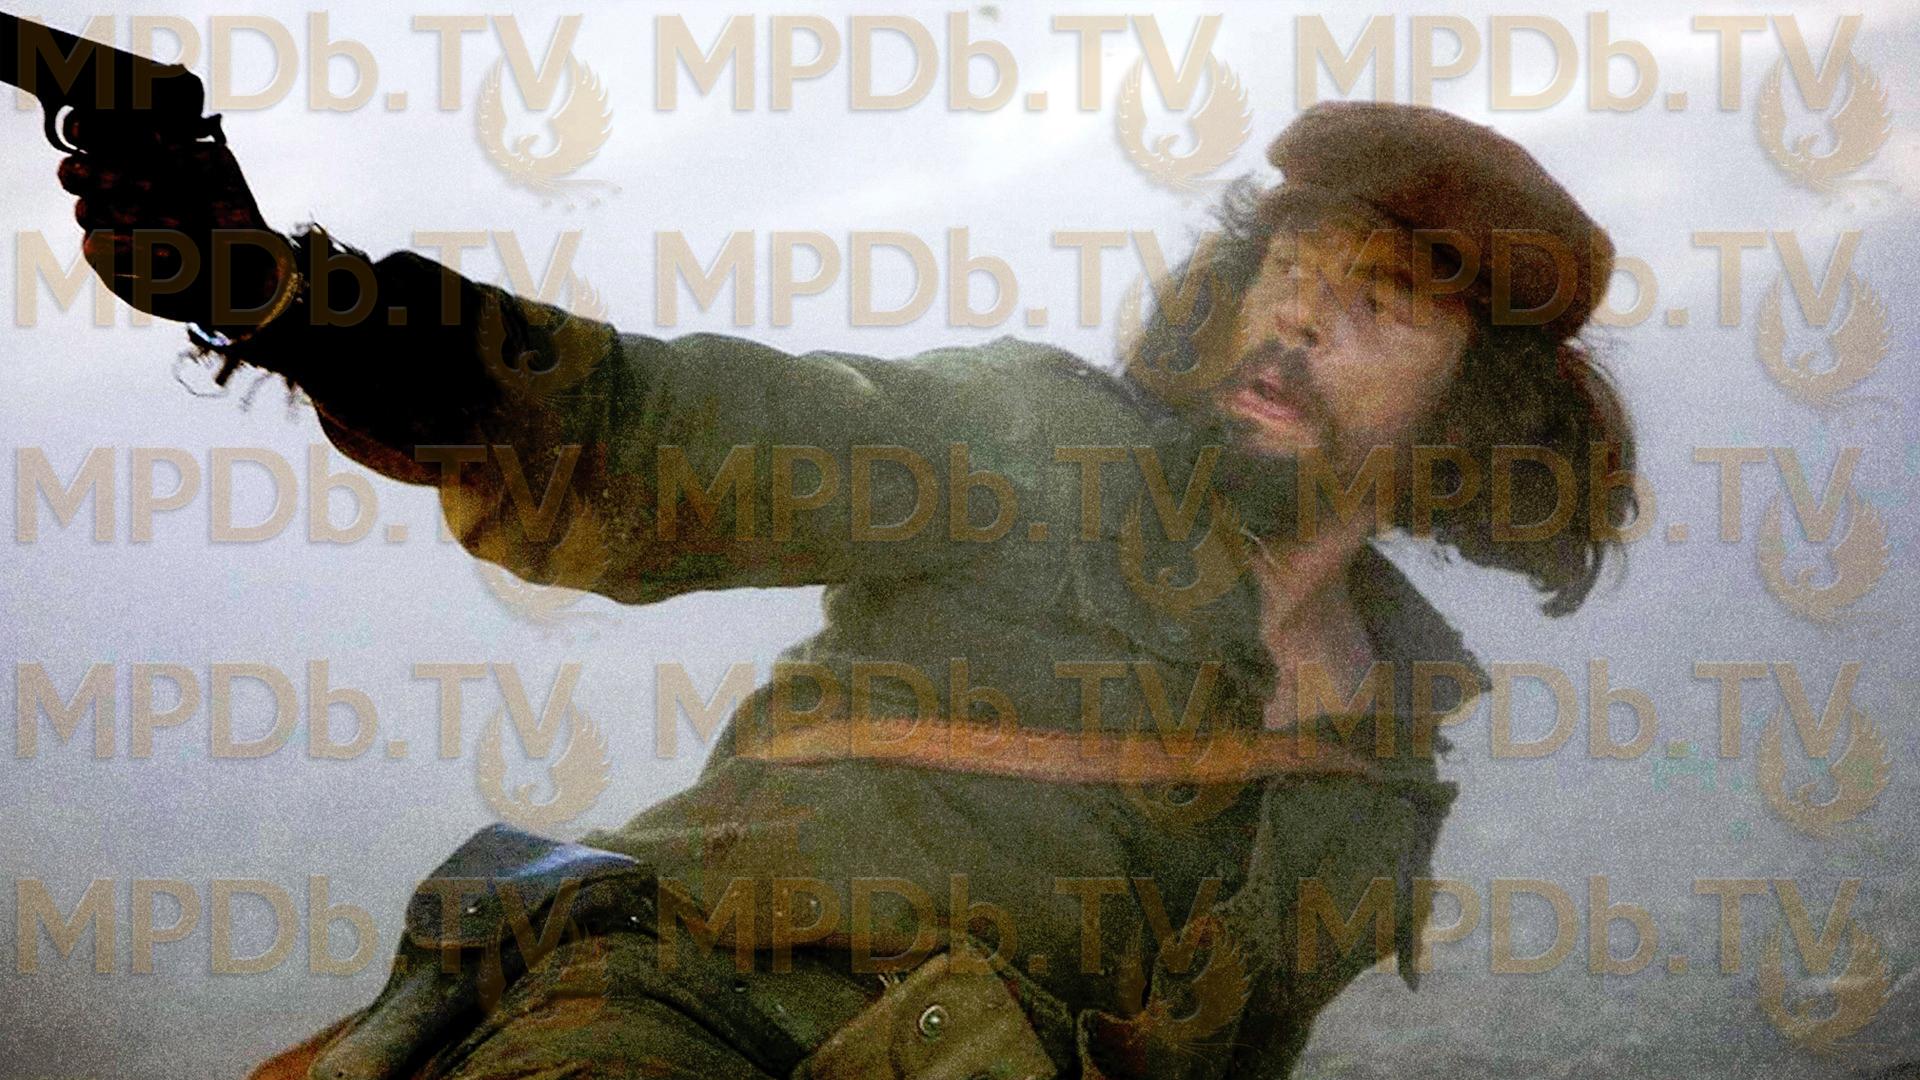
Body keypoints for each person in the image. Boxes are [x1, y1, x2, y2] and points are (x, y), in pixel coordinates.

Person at [59, 100, 1634, 1079]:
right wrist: (292, 299)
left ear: (1475, 406)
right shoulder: (1040, 445)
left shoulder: (1391, 748)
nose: (1299, 320)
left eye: (1380, 305)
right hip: (692, 1022)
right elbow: (663, 432)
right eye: (1290, 268)